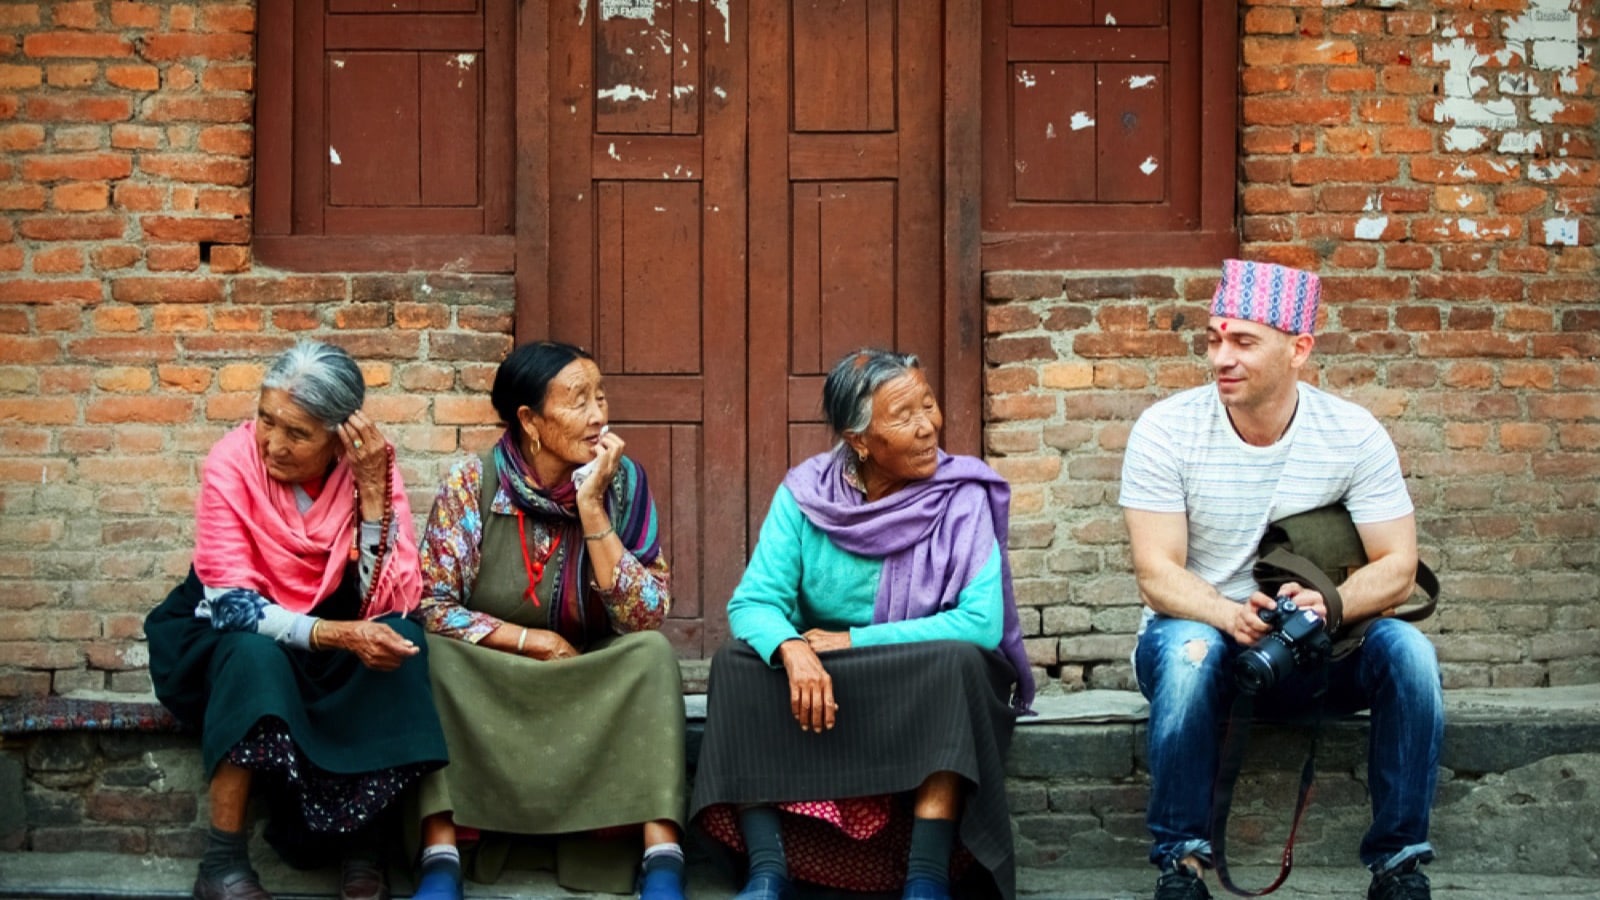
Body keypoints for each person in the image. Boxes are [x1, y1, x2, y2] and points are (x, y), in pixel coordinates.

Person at [1119, 259, 1443, 900]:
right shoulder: (1166, 430)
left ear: (1298, 350)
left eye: (1243, 341)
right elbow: (1156, 573)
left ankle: (1400, 865)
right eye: (1214, 338)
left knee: (1410, 654)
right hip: (1202, 640)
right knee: (1189, 650)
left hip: (1317, 648)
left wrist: (1330, 604)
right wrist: (1228, 614)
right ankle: (1180, 866)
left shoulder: (1352, 434)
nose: (1221, 357)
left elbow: (1399, 566)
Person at [690, 348, 1036, 900]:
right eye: (904, 416)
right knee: (737, 663)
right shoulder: (806, 496)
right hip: (823, 683)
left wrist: (854, 640)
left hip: (917, 681)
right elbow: (753, 602)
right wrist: (791, 649)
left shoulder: (962, 496)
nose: (928, 427)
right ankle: (767, 868)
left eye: (929, 404)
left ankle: (925, 877)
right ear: (858, 440)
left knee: (957, 661)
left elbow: (980, 624)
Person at [146, 340, 447, 900]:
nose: (273, 444)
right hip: (222, 630)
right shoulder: (231, 463)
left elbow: (389, 599)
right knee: (252, 655)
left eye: (297, 433)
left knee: (401, 641)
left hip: (329, 628)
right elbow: (231, 604)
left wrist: (374, 494)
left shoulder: (370, 471)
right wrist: (337, 635)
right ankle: (222, 862)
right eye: (266, 420)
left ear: (340, 439)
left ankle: (364, 848)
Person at [410, 341, 686, 900]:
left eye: (601, 397)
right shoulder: (472, 484)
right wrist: (530, 641)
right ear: (530, 420)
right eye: (578, 400)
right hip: (494, 676)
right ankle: (441, 856)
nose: (599, 415)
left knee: (652, 657)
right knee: (429, 654)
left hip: (587, 676)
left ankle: (662, 858)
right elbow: (433, 606)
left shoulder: (624, 484)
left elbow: (645, 614)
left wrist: (592, 510)